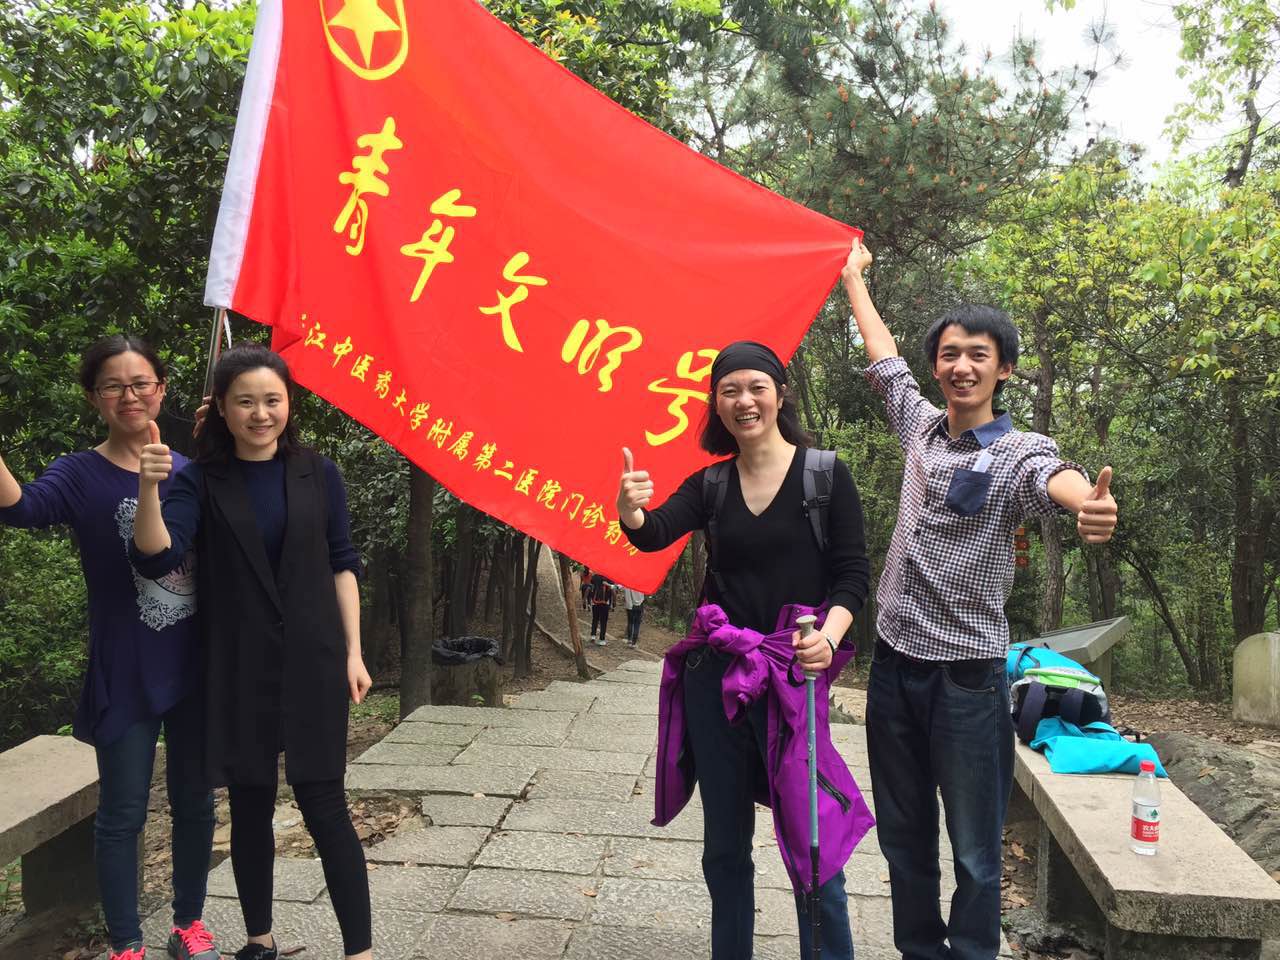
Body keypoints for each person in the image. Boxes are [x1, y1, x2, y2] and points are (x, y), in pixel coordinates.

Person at [841, 238, 1118, 960]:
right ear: (938, 366)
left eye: (978, 355)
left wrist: (1086, 504)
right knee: (903, 839)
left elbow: (1052, 477)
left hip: (965, 682)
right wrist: (852, 278)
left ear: (1004, 369)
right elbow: (883, 359)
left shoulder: (1017, 451)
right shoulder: (920, 428)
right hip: (892, 670)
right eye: (950, 354)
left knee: (973, 850)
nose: (962, 366)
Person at [617, 340, 873, 960]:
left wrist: (830, 635)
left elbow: (852, 576)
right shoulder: (711, 484)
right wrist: (630, 511)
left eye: (756, 387)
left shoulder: (823, 475)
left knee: (813, 842)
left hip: (790, 677)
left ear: (780, 394)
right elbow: (654, 532)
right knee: (724, 845)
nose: (744, 400)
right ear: (717, 404)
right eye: (729, 390)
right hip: (718, 679)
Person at [131, 344, 374, 960]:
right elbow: (157, 555)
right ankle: (259, 940)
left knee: (325, 804)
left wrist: (354, 653)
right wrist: (150, 487)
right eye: (245, 401)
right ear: (222, 408)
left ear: (289, 403)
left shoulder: (318, 472)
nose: (260, 414)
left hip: (316, 660)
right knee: (250, 804)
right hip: (237, 665)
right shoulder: (199, 479)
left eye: (272, 400)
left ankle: (360, 950)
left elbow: (342, 565)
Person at [0, 335, 218, 960]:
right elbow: (20, 509)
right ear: (94, 398)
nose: (130, 396)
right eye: (113, 386)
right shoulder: (79, 473)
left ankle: (188, 924)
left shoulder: (193, 470)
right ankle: (126, 943)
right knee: (123, 811)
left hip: (196, 663)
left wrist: (224, 438)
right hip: (126, 666)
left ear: (162, 390)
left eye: (141, 383)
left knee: (196, 803)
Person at [588, 571, 615, 645]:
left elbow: (591, 585)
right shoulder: (609, 577)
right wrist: (613, 602)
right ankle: (601, 639)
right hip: (605, 602)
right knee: (603, 621)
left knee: (595, 619)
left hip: (595, 602)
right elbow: (613, 589)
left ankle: (593, 635)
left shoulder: (595, 576)